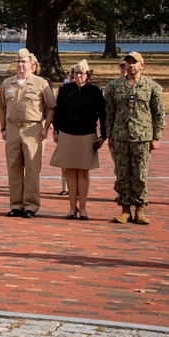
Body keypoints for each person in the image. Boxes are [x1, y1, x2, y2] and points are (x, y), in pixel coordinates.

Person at [105, 51, 164, 225]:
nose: (131, 65)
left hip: (142, 137)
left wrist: (156, 137)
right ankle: (124, 210)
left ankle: (139, 209)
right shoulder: (114, 86)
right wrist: (109, 135)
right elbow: (109, 113)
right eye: (128, 62)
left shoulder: (152, 86)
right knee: (122, 174)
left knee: (140, 174)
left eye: (135, 62)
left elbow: (158, 114)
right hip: (120, 137)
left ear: (142, 65)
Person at [0, 48, 56, 218]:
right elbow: (2, 107)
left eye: (24, 62)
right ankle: (16, 205)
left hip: (33, 129)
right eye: (18, 61)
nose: (21, 65)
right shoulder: (8, 83)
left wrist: (45, 128)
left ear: (31, 64)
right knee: (13, 168)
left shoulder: (40, 83)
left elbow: (51, 107)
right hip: (13, 128)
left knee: (32, 169)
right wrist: (3, 128)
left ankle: (31, 206)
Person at [50, 60, 106, 219]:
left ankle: (83, 208)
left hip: (87, 135)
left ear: (88, 75)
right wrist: (56, 130)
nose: (79, 76)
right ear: (72, 75)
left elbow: (103, 114)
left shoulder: (95, 92)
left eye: (82, 73)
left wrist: (103, 135)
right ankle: (71, 207)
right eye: (76, 73)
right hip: (67, 134)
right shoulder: (65, 89)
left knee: (83, 171)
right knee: (70, 171)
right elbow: (58, 112)